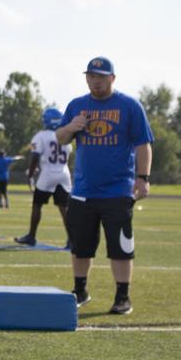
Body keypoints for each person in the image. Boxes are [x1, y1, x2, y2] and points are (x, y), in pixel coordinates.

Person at [54, 57, 153, 316]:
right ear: (86, 77)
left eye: (101, 76)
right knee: (80, 246)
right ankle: (80, 290)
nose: (95, 81)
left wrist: (143, 178)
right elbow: (60, 139)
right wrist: (71, 127)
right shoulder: (77, 105)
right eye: (91, 76)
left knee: (120, 247)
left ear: (112, 78)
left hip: (118, 191)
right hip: (83, 191)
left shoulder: (129, 105)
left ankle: (122, 296)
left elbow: (144, 144)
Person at [16, 108, 72, 246]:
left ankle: (31, 236)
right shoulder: (66, 136)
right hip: (64, 174)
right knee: (64, 207)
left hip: (48, 174)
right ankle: (72, 239)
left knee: (37, 205)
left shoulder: (41, 136)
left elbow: (35, 156)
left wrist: (30, 173)